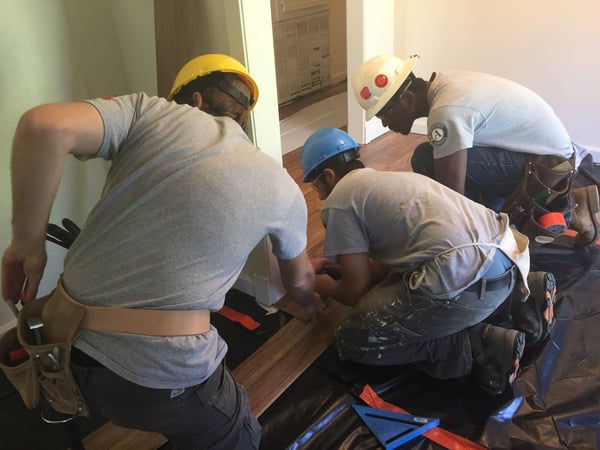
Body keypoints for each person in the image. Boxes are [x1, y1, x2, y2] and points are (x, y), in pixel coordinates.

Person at [1, 54, 323, 450]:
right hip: (160, 381)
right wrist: (311, 306)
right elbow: (300, 281)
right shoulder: (283, 187)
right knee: (235, 430)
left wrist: (26, 247)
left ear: (195, 100)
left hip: (61, 356)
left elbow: (43, 125)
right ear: (242, 116)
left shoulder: (148, 112)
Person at [300, 127, 557, 396]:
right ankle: (522, 300)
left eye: (316, 185)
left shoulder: (339, 202)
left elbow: (355, 292)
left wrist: (316, 285)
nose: (318, 196)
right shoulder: (385, 182)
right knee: (395, 285)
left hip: (470, 278)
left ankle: (477, 345)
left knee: (352, 338)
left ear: (329, 175)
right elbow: (385, 269)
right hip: (509, 261)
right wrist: (343, 270)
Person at [351, 55, 600, 247]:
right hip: (551, 158)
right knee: (440, 158)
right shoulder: (445, 83)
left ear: (405, 98)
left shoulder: (446, 110)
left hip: (550, 167)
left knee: (426, 159)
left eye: (385, 114)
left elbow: (452, 195)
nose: (384, 124)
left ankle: (486, 235)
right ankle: (564, 207)